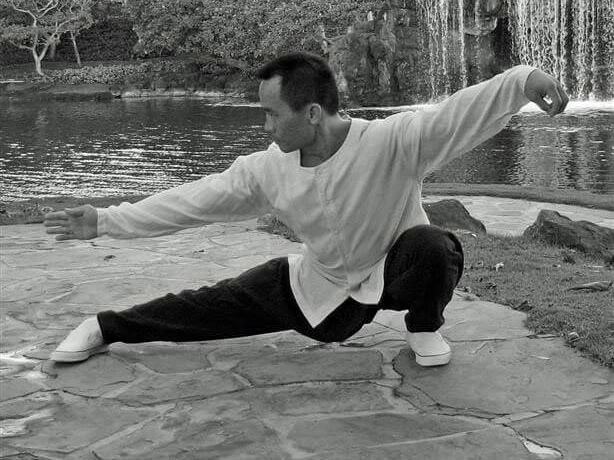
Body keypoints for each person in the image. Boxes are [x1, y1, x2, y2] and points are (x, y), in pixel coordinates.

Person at [44, 52, 568, 366]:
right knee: (206, 307)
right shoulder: (268, 169)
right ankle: (105, 327)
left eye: (272, 115)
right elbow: (190, 203)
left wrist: (524, 81)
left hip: (396, 273)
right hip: (319, 288)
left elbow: (459, 113)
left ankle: (424, 325)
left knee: (435, 245)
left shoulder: (392, 141)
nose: (265, 128)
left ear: (312, 113)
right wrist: (106, 220)